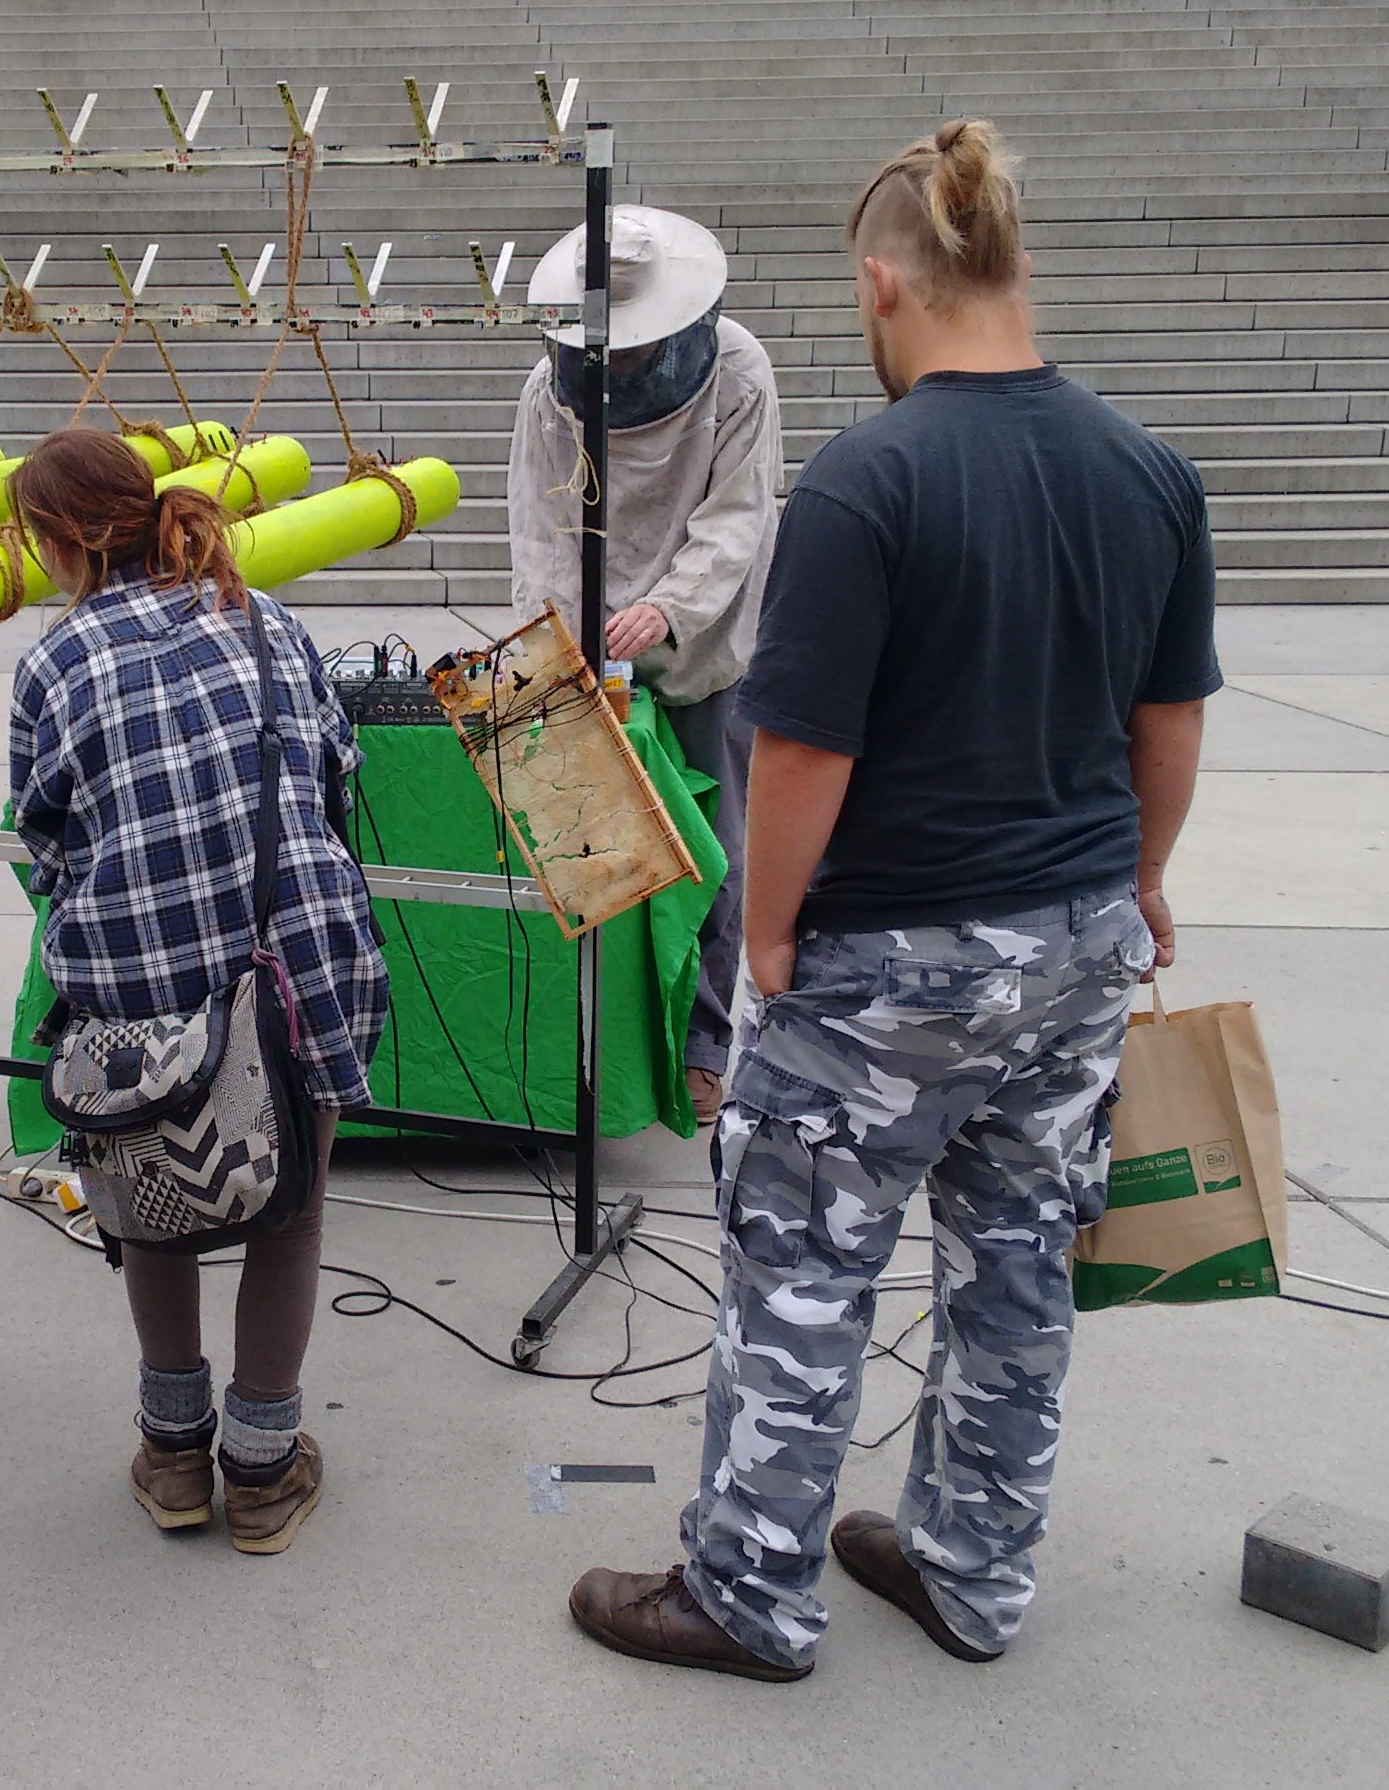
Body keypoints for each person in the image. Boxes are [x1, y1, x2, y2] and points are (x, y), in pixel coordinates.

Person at [566, 119, 1217, 1681]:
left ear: (882, 285)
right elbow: (1170, 723)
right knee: (1017, 1269)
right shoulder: (1149, 470)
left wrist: (772, 933)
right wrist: (1139, 884)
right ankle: (971, 1569)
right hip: (1071, 948)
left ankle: (750, 1594)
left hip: (889, 962)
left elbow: (798, 746)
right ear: (1016, 267)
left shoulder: (867, 484)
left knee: (802, 1273)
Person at [7, 427, 387, 1557]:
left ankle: (173, 1457)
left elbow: (44, 843)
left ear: (61, 544)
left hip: (136, 982)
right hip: (297, 959)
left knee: (151, 1201)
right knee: (291, 1207)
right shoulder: (263, 616)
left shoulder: (54, 662)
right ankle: (264, 1472)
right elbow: (336, 770)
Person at [506, 204, 783, 1125]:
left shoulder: (739, 372)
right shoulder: (547, 393)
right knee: (585, 843)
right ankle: (601, 1038)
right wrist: (554, 637)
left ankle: (703, 1044)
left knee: (712, 848)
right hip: (586, 647)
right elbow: (541, 532)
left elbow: (738, 519)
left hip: (699, 649)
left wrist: (668, 609)